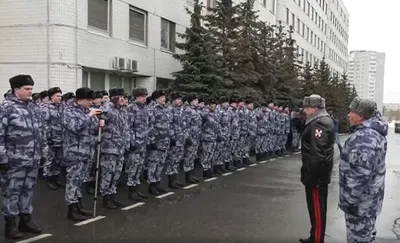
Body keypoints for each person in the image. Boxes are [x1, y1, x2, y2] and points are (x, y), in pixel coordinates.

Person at [0, 75, 47, 239]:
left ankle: (25, 220)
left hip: (32, 159)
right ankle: (10, 225)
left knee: (28, 191)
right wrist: (2, 158)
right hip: (14, 161)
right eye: (27, 89)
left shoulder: (33, 107)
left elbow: (40, 132)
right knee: (12, 193)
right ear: (16, 89)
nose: (30, 92)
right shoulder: (6, 108)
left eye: (31, 89)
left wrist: (42, 153)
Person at [339, 98, 387, 243]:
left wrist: (348, 201)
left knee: (358, 239)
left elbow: (359, 175)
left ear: (360, 115)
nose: (348, 115)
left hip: (360, 206)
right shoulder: (373, 132)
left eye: (351, 111)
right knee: (366, 237)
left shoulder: (364, 137)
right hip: (369, 202)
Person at [62, 87, 102, 221]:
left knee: (80, 180)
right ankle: (71, 209)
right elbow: (74, 127)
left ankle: (79, 205)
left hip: (87, 152)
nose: (91, 102)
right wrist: (89, 116)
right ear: (80, 99)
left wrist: (99, 125)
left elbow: (92, 131)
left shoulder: (87, 111)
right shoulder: (69, 111)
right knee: (73, 180)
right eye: (89, 99)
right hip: (75, 152)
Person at [299, 94, 335, 243]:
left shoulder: (318, 124)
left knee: (317, 210)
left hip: (316, 177)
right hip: (318, 175)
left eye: (306, 107)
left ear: (314, 108)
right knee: (315, 209)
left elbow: (317, 154)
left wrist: (313, 177)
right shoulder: (322, 121)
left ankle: (317, 239)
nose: (304, 111)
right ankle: (315, 235)